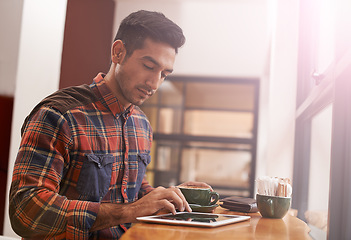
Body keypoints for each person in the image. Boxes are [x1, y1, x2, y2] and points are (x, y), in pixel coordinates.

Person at [9, 10, 211, 239]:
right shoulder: (59, 115)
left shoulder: (141, 124)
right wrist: (129, 212)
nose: (155, 83)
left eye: (164, 73)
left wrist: (171, 196)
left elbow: (130, 191)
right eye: (148, 66)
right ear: (118, 52)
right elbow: (26, 212)